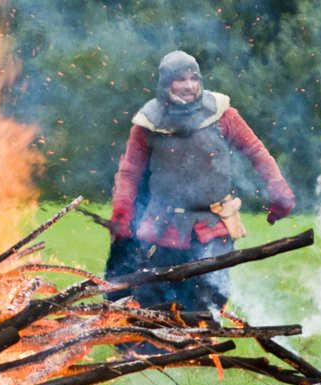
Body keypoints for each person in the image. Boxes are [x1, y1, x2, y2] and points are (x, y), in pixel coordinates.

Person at [106, 50, 295, 313]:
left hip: (213, 227)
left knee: (208, 304)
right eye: (180, 79)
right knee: (155, 305)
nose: (189, 85)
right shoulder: (148, 123)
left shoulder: (223, 115)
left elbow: (256, 152)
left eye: (193, 78)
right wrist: (122, 214)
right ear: (166, 83)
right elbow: (129, 173)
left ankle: (204, 338)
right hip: (163, 228)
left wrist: (279, 190)